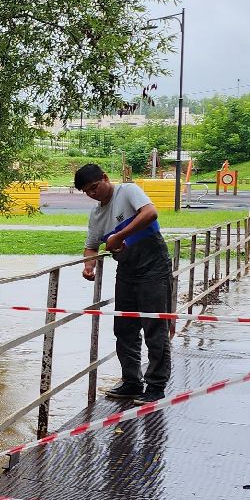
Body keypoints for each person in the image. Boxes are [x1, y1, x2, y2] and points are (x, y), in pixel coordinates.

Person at [76, 163, 171, 401]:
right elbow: (91, 246)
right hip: (127, 269)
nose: (92, 194)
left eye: (94, 187)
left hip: (153, 265)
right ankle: (131, 381)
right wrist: (89, 265)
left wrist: (120, 235)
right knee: (125, 328)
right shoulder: (96, 214)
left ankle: (156, 386)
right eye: (87, 192)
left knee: (154, 326)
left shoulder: (127, 191)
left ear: (106, 178)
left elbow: (150, 213)